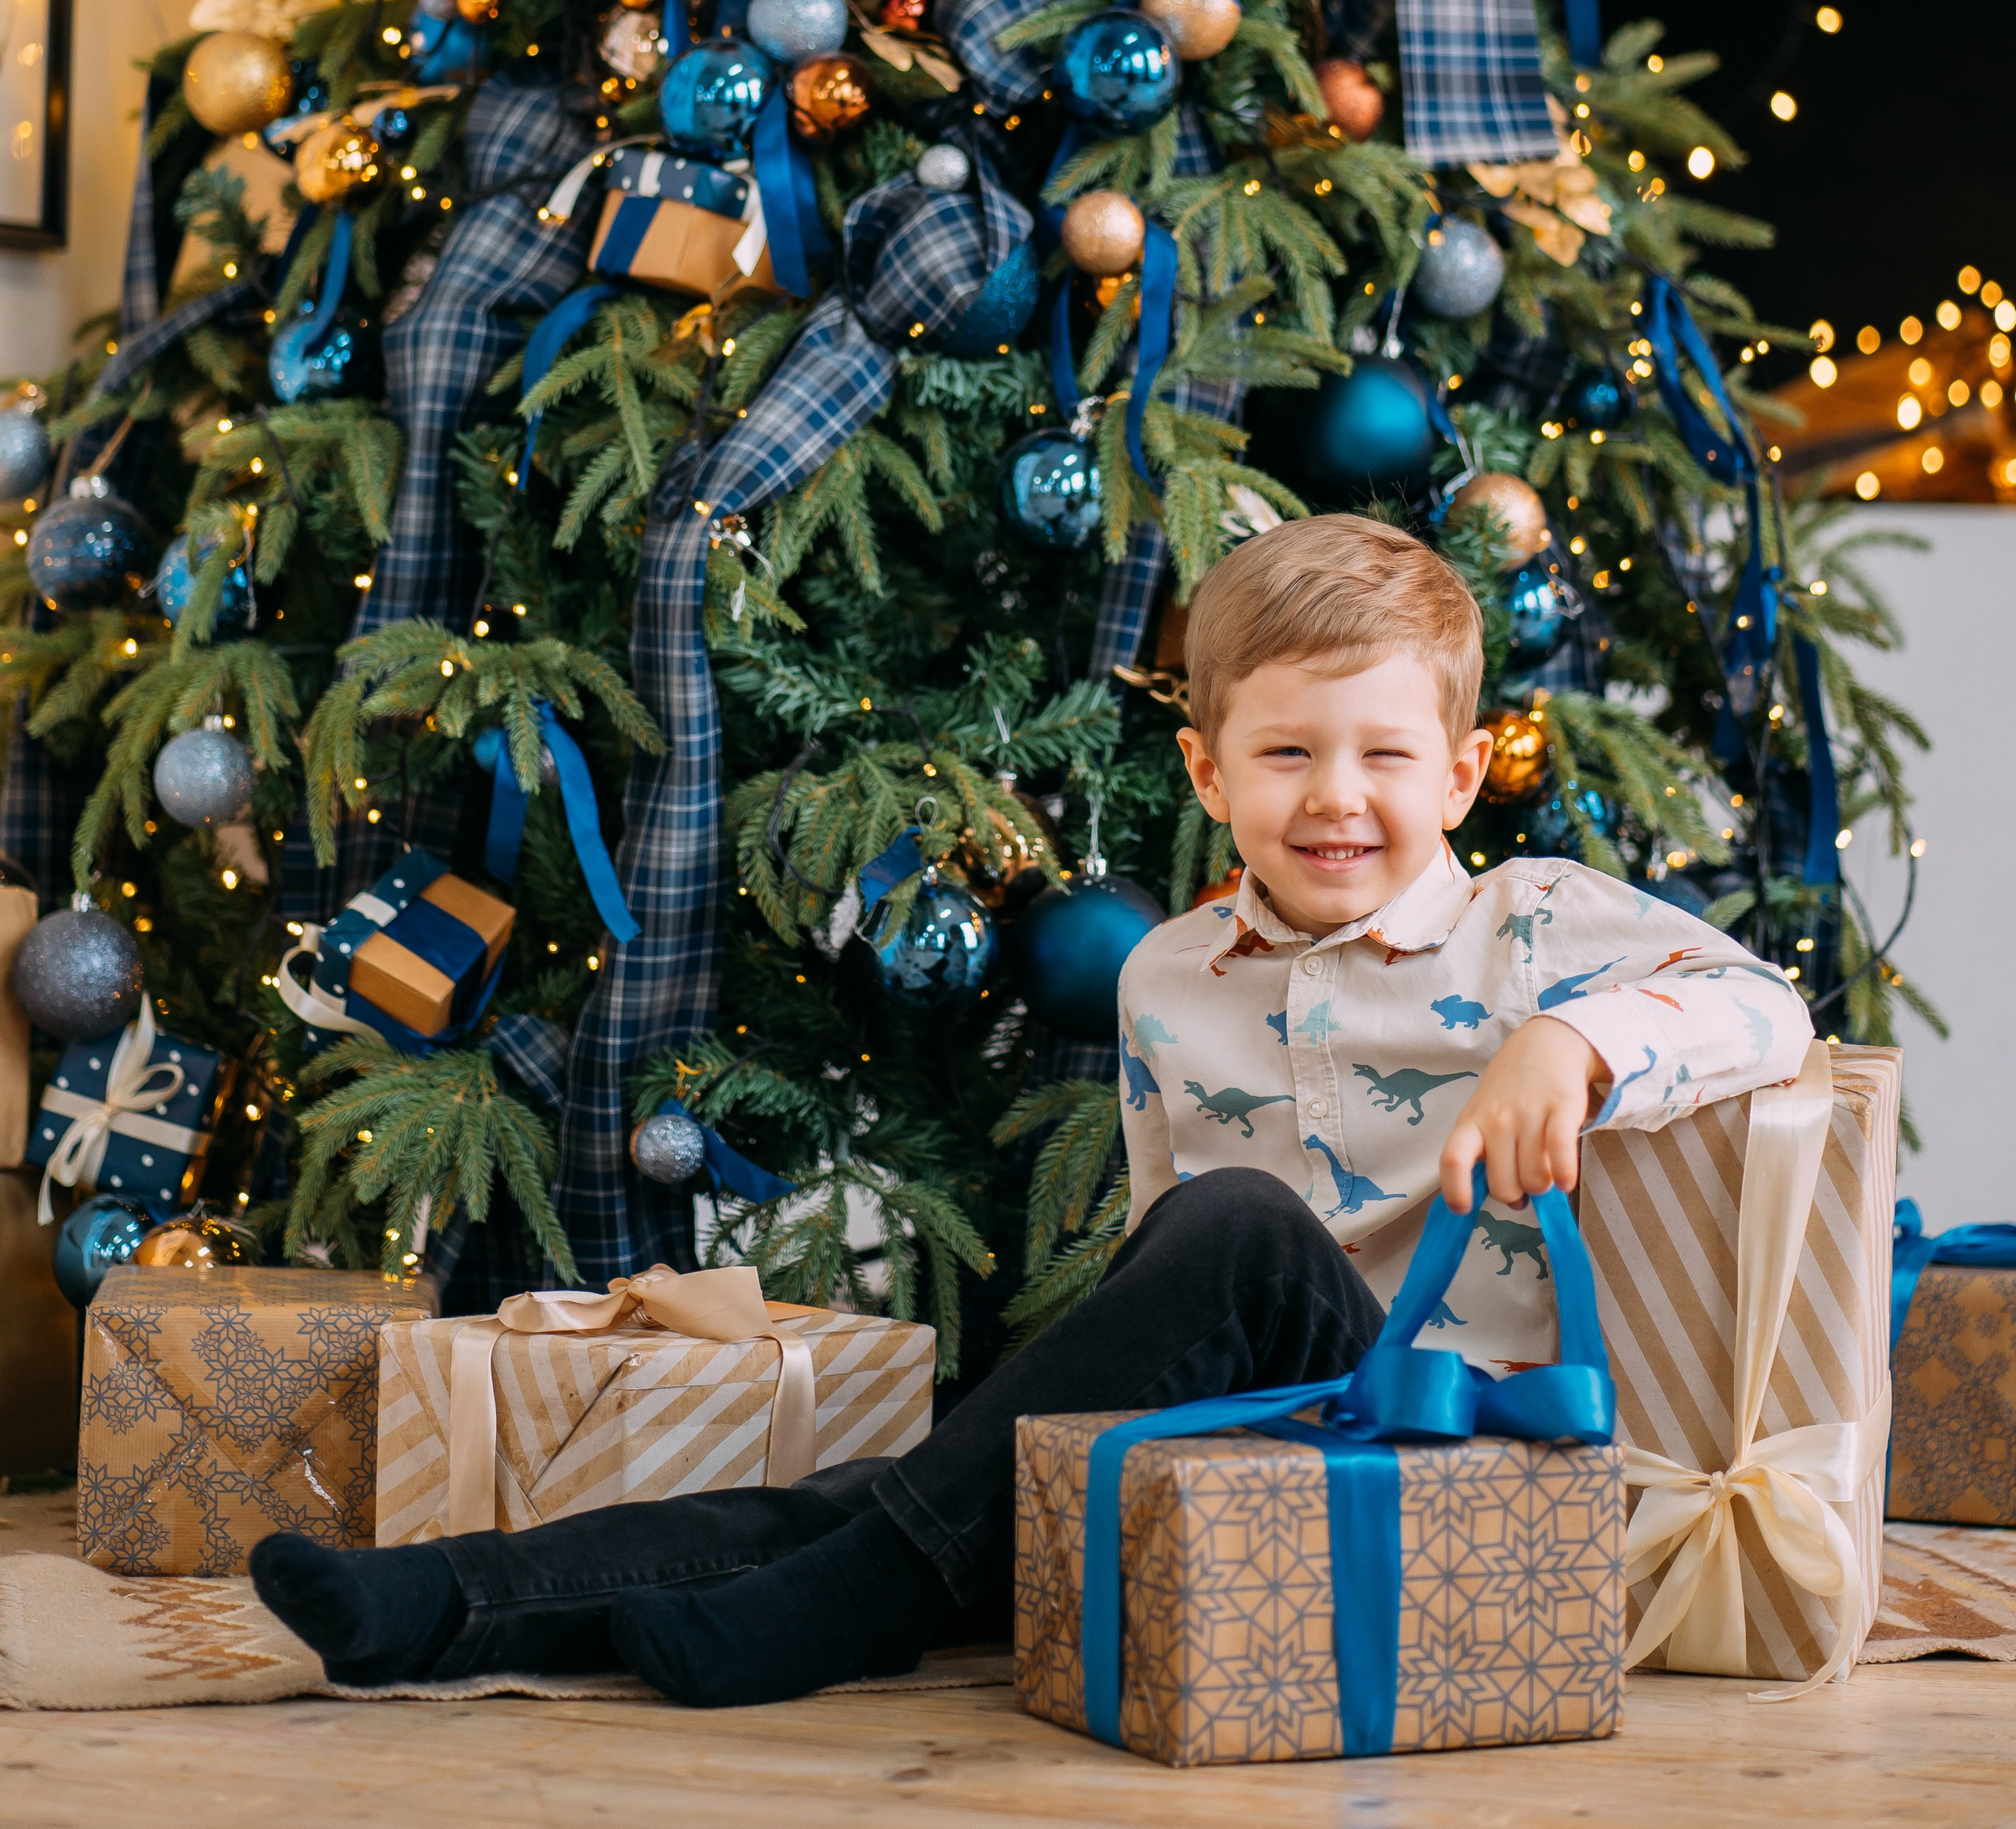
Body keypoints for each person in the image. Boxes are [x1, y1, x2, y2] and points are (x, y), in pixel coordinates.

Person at [251, 513, 1810, 1701]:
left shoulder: (1531, 926)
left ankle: (872, 1594)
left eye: (1383, 756)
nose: (1337, 795)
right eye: (1286, 753)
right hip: (1240, 1440)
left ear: (1461, 777)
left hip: (1444, 1446)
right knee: (875, 1501)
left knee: (1237, 1238)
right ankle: (440, 1604)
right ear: (1208, 775)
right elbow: (1162, 1266)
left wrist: (1573, 1044)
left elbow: (1769, 1008)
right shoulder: (1167, 978)